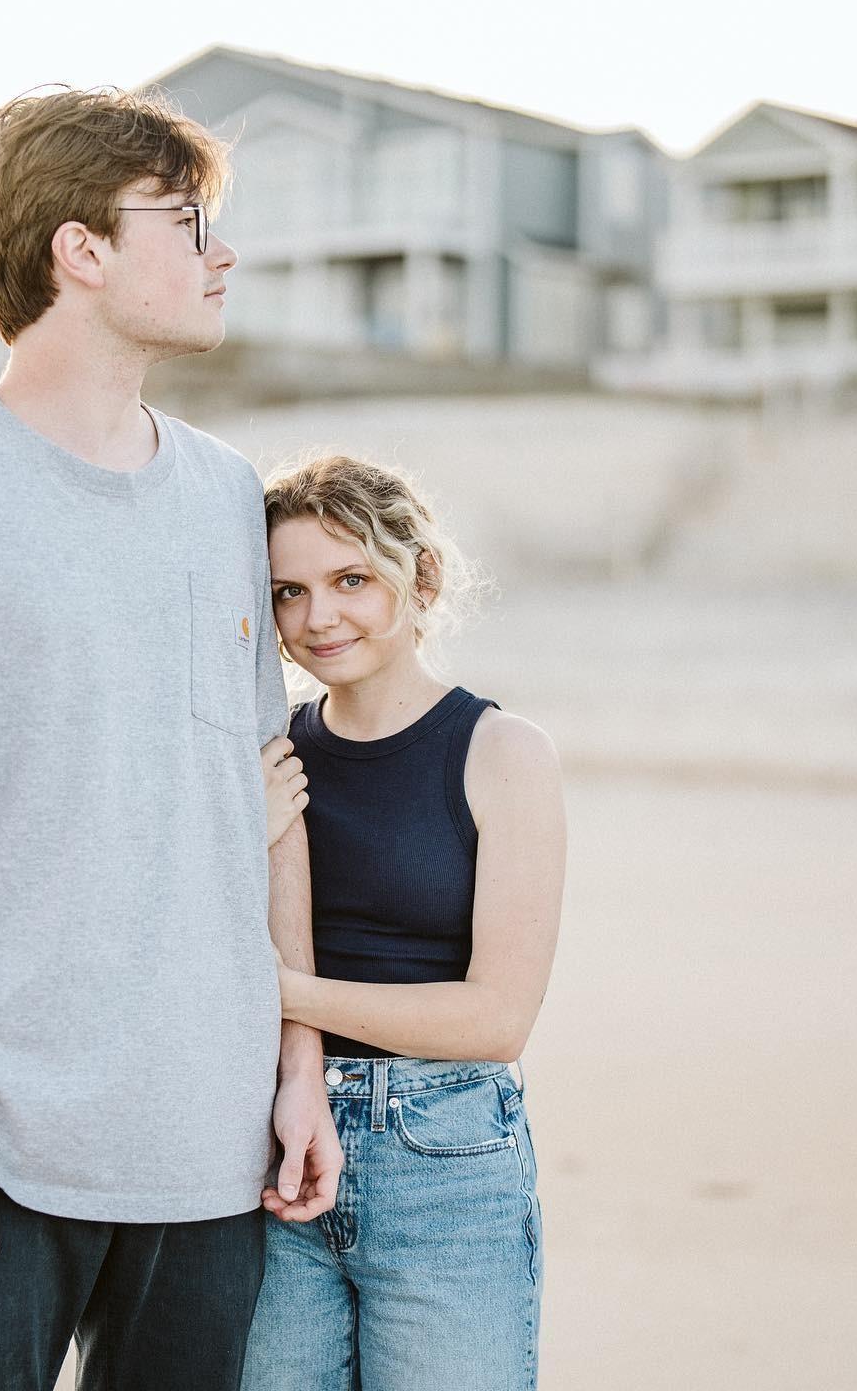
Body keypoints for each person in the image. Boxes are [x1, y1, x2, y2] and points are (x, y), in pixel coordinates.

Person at [0, 86, 342, 1391]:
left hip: (211, 1153)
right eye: (188, 220)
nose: (223, 253)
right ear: (80, 250)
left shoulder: (222, 499)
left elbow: (272, 804)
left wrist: (297, 1069)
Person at [245, 455, 566, 1391]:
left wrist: (285, 994)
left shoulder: (503, 755)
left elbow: (497, 1019)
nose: (318, 618)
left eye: (352, 580)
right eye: (289, 591)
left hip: (447, 1160)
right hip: (270, 1153)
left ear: (420, 578)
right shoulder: (268, 756)